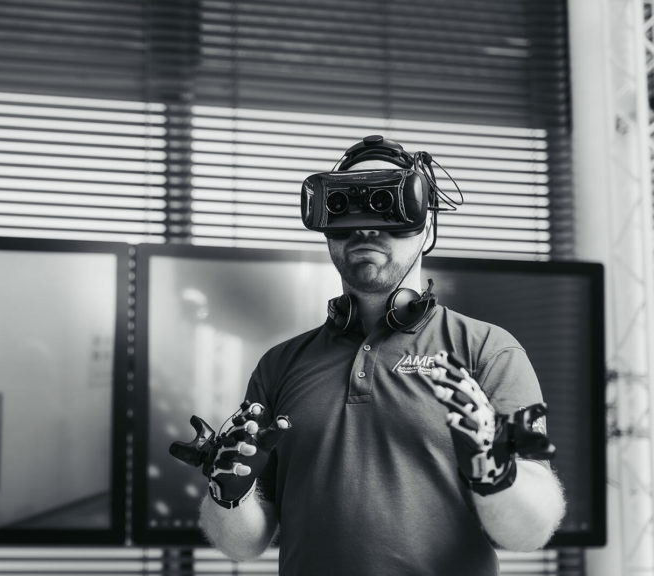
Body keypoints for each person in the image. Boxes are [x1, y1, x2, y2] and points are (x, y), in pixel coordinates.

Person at [175, 136, 566, 575]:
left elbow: (529, 533)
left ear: (428, 225)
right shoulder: (280, 365)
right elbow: (246, 545)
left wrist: (497, 474)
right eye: (346, 206)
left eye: (386, 202)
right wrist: (228, 493)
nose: (365, 227)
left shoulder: (488, 350)